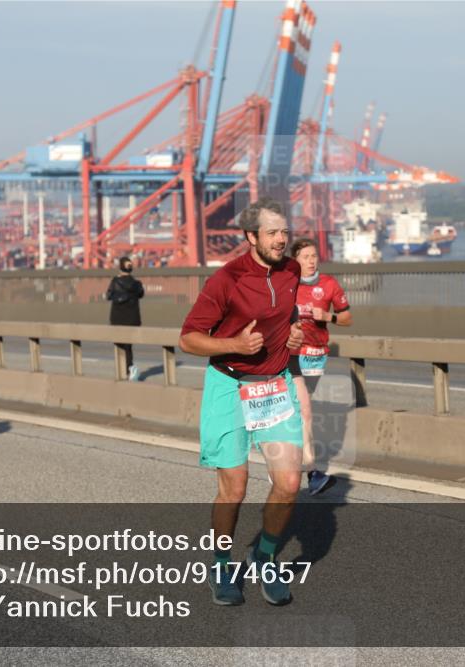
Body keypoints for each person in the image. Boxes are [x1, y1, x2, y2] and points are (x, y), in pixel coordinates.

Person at [179, 196, 305, 607]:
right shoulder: (226, 279)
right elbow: (189, 338)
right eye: (272, 232)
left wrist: (294, 333)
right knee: (234, 488)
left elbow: (286, 315)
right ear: (251, 237)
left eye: (284, 231)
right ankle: (220, 563)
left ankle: (264, 556)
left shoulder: (291, 271)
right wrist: (234, 343)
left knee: (288, 483)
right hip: (230, 385)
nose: (281, 239)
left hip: (274, 386)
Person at [288, 238, 352, 495]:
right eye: (306, 256)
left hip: (317, 355)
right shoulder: (287, 284)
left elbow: (347, 318)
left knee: (302, 411)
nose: (312, 261)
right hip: (292, 353)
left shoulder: (328, 284)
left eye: (314, 256)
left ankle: (293, 463)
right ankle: (309, 471)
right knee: (303, 411)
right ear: (295, 260)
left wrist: (329, 317)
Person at [106, 256, 144, 381]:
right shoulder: (137, 284)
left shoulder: (115, 282)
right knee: (128, 346)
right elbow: (141, 294)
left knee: (119, 345)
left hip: (118, 318)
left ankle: (124, 369)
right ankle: (130, 368)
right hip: (132, 319)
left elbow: (108, 295)